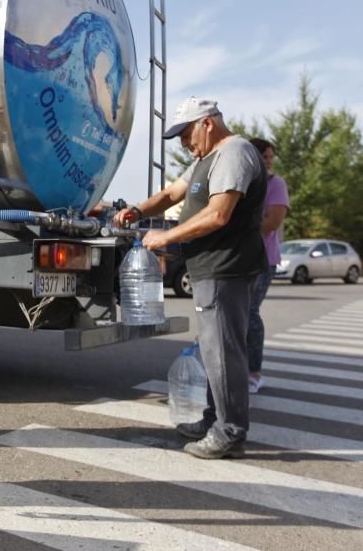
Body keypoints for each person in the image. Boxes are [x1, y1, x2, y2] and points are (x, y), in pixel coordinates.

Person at [114, 97, 266, 459]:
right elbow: (170, 195)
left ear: (208, 123)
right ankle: (216, 419)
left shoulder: (234, 153)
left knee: (224, 352)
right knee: (215, 351)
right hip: (210, 269)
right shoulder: (204, 160)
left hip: (225, 268)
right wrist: (136, 211)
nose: (183, 142)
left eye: (185, 133)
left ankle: (229, 433)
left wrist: (165, 237)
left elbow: (218, 215)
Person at [246, 138, 290, 394]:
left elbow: (272, 222)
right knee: (235, 315)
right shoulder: (243, 182)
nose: (269, 161)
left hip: (263, 260)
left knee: (250, 312)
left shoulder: (275, 184)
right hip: (239, 258)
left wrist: (238, 237)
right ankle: (235, 368)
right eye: (264, 157)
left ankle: (254, 372)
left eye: (271, 157)